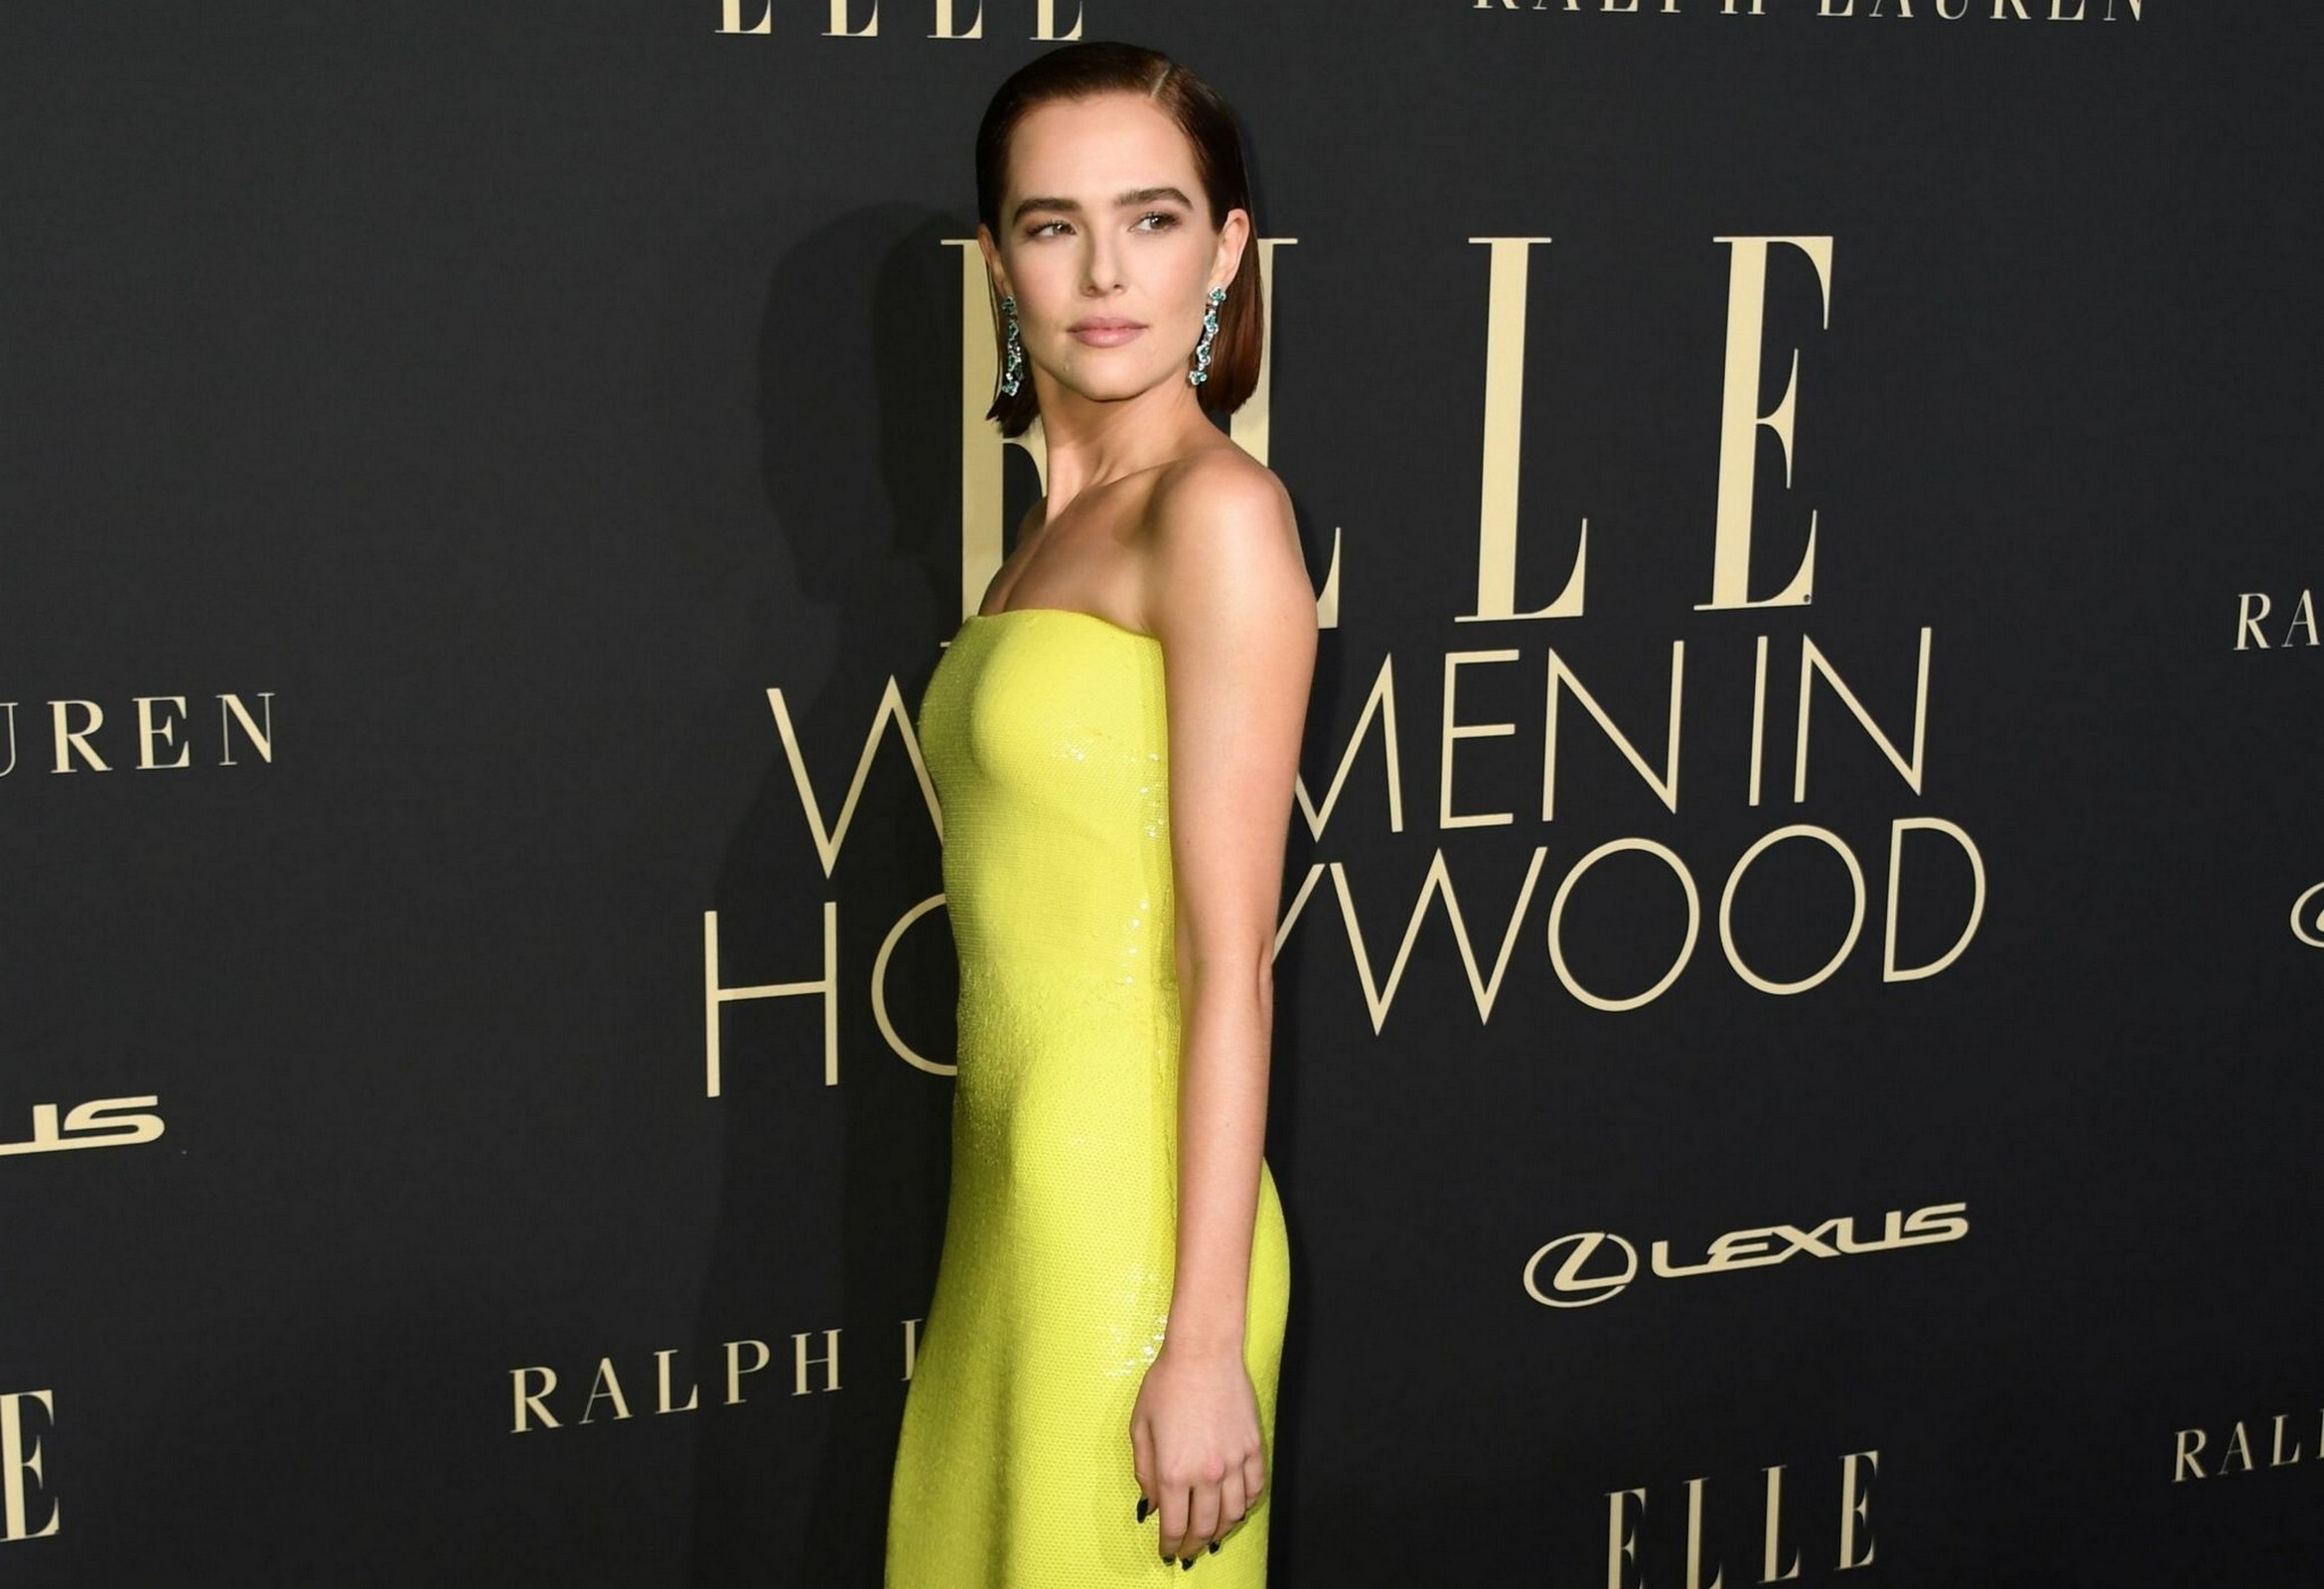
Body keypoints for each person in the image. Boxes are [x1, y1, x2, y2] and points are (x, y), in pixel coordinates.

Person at [885, 39, 1315, 1589]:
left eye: (1152, 217)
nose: (1105, 271)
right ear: (999, 264)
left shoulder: (1217, 516)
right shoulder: (1045, 535)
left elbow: (1230, 962)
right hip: (1008, 1212)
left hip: (1136, 1236)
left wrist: (1200, 1342)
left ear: (1227, 249)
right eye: (1054, 225)